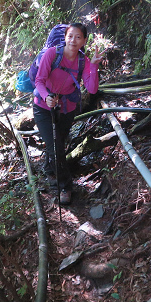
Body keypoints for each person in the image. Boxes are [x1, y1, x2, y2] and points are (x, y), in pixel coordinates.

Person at [33, 23, 103, 205]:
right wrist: (47, 96)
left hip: (67, 108)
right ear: (65, 37)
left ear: (84, 40)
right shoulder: (52, 54)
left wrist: (94, 66)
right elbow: (39, 80)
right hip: (43, 107)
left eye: (78, 37)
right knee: (56, 146)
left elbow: (92, 89)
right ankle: (65, 186)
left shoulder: (83, 61)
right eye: (70, 36)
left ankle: (49, 168)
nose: (73, 40)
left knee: (58, 143)